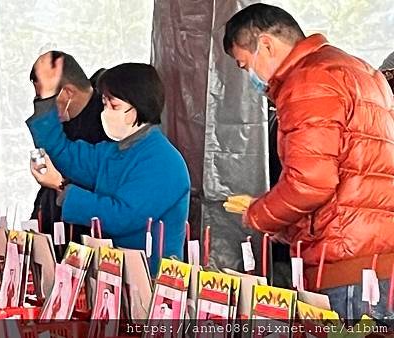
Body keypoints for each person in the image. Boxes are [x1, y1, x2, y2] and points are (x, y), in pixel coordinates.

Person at [223, 4, 394, 319]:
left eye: (245, 65)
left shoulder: (308, 81)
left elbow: (310, 184)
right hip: (378, 257)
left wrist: (258, 214)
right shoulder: (362, 72)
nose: (250, 77)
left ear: (267, 45)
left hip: (345, 263)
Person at [26, 56, 190, 274]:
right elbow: (62, 152)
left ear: (138, 107)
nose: (105, 113)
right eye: (104, 104)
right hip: (112, 272)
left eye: (114, 105)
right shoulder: (112, 152)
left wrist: (62, 186)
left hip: (152, 280)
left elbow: (121, 217)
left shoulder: (164, 161)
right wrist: (46, 99)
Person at [29, 51, 109, 259]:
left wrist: (60, 183)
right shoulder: (61, 121)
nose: (42, 105)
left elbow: (104, 192)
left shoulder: (107, 124)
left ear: (68, 92)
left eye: (45, 99)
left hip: (89, 233)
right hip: (52, 215)